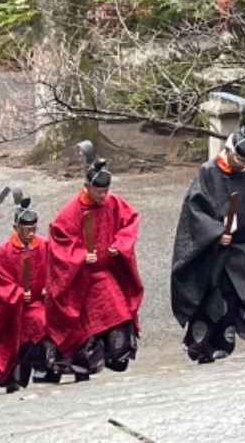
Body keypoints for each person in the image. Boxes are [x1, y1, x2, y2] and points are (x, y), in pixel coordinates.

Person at [172, 98, 245, 362]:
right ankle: (207, 348)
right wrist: (216, 232)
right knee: (216, 302)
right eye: (241, 159)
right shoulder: (208, 172)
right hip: (218, 250)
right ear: (228, 151)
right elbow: (194, 212)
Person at [46, 142, 143, 381]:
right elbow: (58, 238)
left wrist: (118, 246)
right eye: (99, 191)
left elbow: (129, 222)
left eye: (106, 190)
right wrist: (79, 255)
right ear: (86, 186)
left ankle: (116, 357)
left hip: (104, 272)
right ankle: (82, 368)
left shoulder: (113, 202)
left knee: (119, 313)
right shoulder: (71, 209)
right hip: (80, 278)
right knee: (83, 327)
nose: (103, 195)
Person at [0, 188, 53, 392]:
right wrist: (18, 293)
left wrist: (49, 288)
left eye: (33, 229)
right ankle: (13, 376)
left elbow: (53, 269)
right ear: (15, 227)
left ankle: (45, 368)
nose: (30, 234)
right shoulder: (4, 251)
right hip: (13, 307)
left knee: (46, 319)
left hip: (38, 302)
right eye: (26, 230)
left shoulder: (43, 245)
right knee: (19, 333)